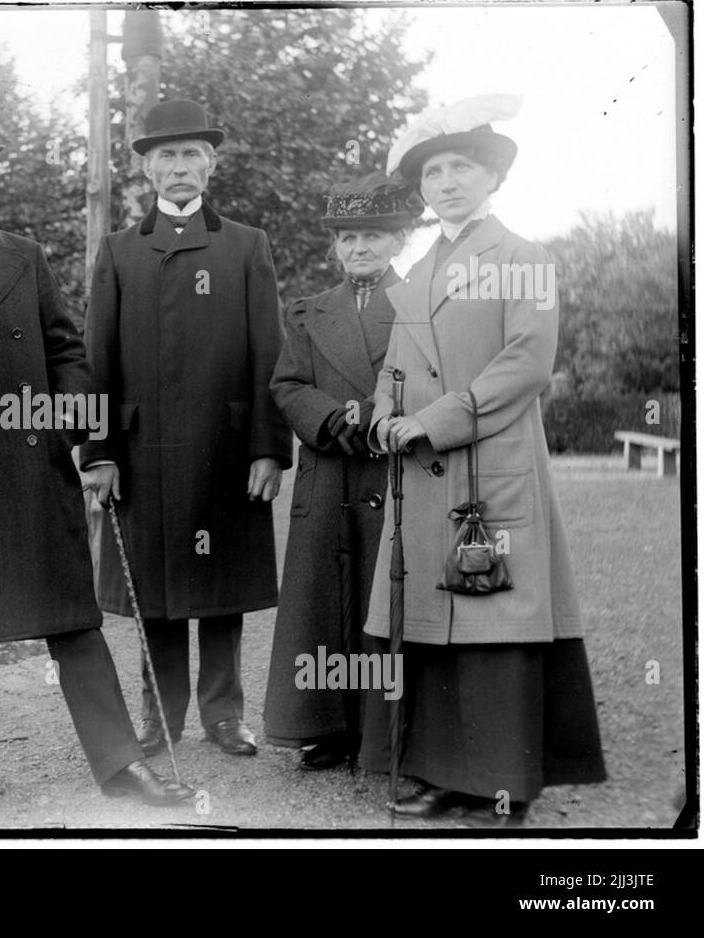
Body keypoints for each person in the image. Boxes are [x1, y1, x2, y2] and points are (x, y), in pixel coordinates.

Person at [0, 113, 192, 808]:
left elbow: (67, 351)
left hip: (35, 464)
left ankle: (121, 764)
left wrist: (69, 429)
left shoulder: (26, 257)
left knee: (73, 621)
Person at [360, 95, 606, 825]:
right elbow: (395, 366)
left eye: (461, 167)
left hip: (489, 465)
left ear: (491, 178)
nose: (446, 182)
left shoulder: (523, 258)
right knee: (435, 624)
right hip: (423, 477)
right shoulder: (415, 269)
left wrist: (432, 422)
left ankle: (502, 788)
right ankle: (443, 775)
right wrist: (381, 416)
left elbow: (526, 364)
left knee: (494, 618)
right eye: (434, 171)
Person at [82, 100, 292, 758]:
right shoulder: (119, 252)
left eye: (191, 155)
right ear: (145, 168)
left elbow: (270, 354)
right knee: (158, 587)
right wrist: (101, 453)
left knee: (221, 585)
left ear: (211, 164)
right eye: (165, 156)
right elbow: (98, 361)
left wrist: (268, 448)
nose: (179, 168)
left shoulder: (246, 246)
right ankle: (160, 713)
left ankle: (224, 714)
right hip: (145, 452)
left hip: (226, 449)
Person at [262, 173, 417, 770]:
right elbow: (287, 383)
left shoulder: (418, 306)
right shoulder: (308, 312)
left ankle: (383, 731)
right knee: (320, 602)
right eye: (348, 239)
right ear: (336, 246)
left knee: (383, 597)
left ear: (397, 240)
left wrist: (375, 415)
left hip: (389, 471)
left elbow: (429, 377)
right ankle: (324, 726)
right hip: (327, 474)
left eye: (372, 237)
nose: (359, 249)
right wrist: (332, 418)